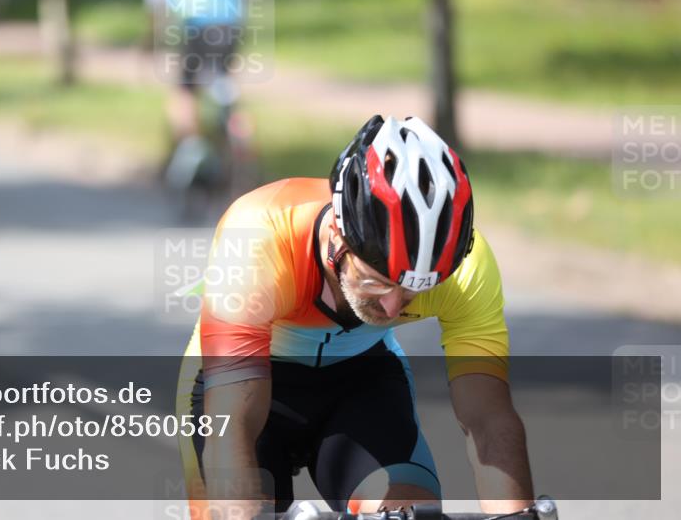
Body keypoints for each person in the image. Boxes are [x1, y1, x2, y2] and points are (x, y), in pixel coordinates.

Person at [177, 115, 535, 518]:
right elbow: (233, 421)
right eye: (377, 283)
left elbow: (488, 419)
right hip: (245, 387)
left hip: (360, 380)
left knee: (409, 513)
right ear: (337, 232)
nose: (394, 308)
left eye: (418, 289)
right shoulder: (259, 236)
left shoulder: (466, 268)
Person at [142, 0, 254, 144]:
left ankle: (190, 147)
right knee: (225, 86)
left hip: (194, 28)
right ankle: (243, 144)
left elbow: (156, 7)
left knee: (185, 90)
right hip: (228, 29)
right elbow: (244, 0)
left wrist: (150, 42)